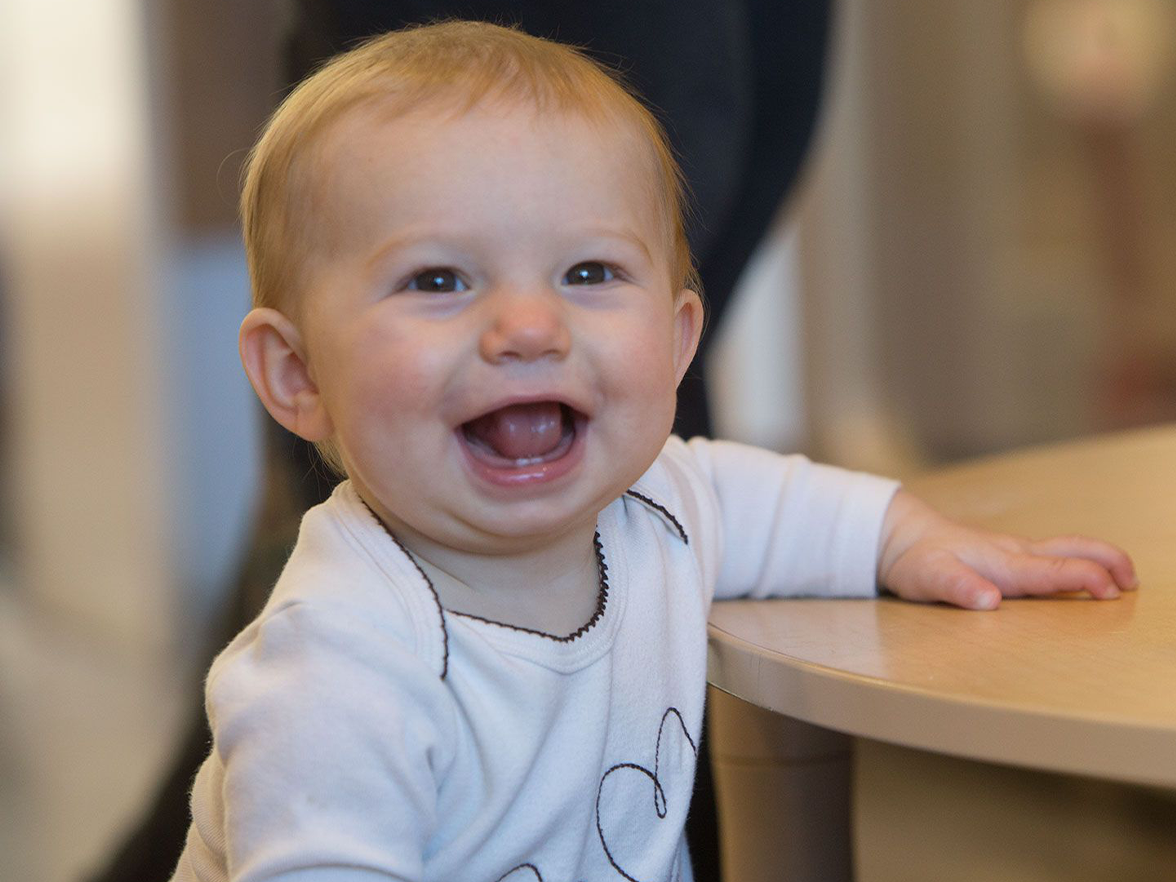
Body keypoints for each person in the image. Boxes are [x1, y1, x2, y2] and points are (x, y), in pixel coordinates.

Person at [169, 22, 1135, 882]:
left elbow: (775, 505)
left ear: (678, 342)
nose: (529, 326)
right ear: (297, 376)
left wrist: (914, 540)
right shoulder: (338, 668)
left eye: (588, 272)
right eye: (439, 279)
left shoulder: (656, 507)